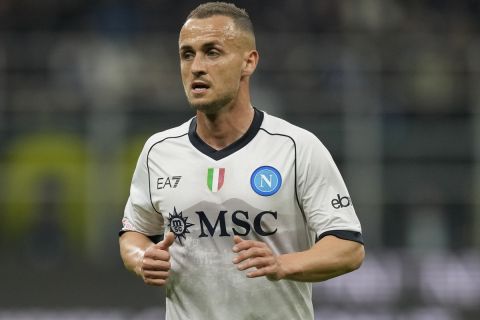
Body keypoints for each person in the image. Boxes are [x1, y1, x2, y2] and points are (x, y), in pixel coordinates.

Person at [119, 2, 365, 319]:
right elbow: (134, 231)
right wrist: (141, 258)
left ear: (249, 62)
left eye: (212, 52)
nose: (196, 67)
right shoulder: (158, 150)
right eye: (187, 54)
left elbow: (348, 247)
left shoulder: (295, 147)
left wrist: (283, 264)